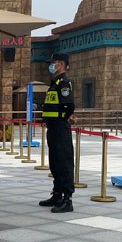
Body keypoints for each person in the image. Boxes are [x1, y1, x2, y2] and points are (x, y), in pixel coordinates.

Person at [39, 53, 77, 213]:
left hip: (61, 128)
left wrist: (66, 118)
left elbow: (68, 105)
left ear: (61, 64)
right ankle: (57, 194)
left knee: (64, 162)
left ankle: (67, 200)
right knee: (55, 163)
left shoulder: (63, 84)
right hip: (53, 128)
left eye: (53, 62)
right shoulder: (54, 83)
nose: (51, 65)